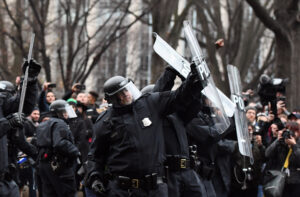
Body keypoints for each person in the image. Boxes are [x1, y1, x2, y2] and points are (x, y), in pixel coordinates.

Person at [86, 63, 204, 197]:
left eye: (127, 90)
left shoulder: (149, 104)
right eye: (121, 94)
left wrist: (194, 80)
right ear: (113, 99)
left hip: (155, 189)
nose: (126, 94)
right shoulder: (105, 122)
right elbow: (95, 156)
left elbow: (179, 97)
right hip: (123, 191)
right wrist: (95, 177)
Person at [142, 67, 206, 197]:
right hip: (168, 174)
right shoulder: (151, 118)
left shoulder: (178, 115)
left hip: (188, 171)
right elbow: (159, 94)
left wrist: (189, 79)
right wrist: (170, 72)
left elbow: (193, 103)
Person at [0, 59, 41, 197]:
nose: (3, 100)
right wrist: (8, 123)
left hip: (8, 179)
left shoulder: (7, 111)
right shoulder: (8, 120)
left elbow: (23, 106)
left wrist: (29, 81)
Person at [36, 99, 80, 197]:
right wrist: (76, 151)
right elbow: (60, 143)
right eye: (64, 112)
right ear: (58, 113)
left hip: (44, 165)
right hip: (59, 166)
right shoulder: (60, 123)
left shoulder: (43, 125)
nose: (67, 115)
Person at [264, 122, 300, 197]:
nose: (290, 133)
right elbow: (267, 154)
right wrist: (277, 140)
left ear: (298, 132)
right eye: (287, 130)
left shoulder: (298, 144)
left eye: (292, 131)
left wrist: (294, 145)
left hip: (296, 182)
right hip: (281, 180)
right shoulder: (281, 143)